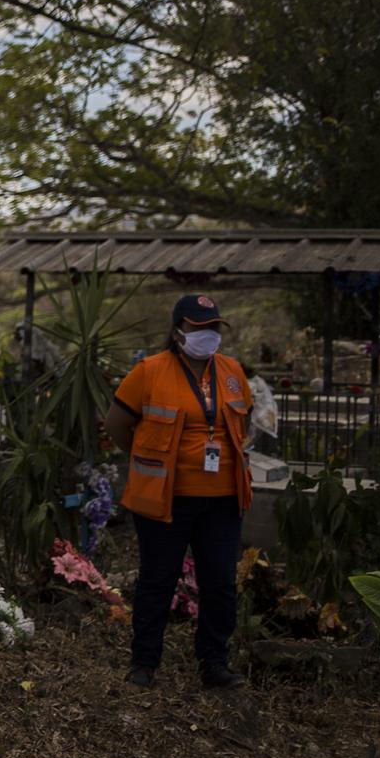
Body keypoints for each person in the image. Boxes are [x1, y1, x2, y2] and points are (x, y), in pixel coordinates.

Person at [103, 293, 252, 691]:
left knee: (219, 583)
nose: (209, 335)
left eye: (214, 328)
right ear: (178, 331)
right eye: (199, 328)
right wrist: (145, 456)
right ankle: (144, 662)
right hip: (164, 499)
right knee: (158, 581)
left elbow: (243, 425)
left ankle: (214, 662)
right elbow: (117, 424)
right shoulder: (149, 372)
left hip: (223, 500)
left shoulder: (233, 372)